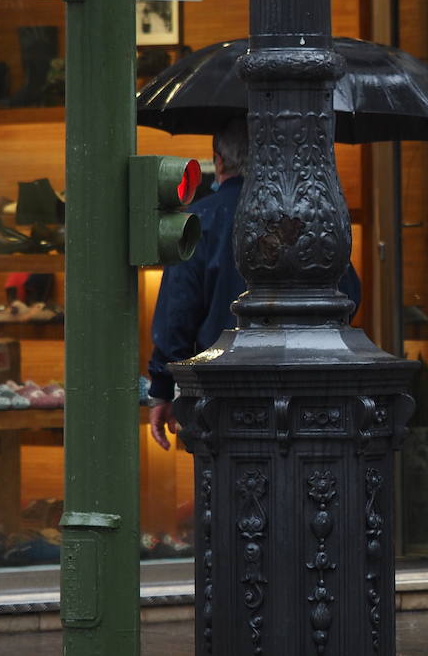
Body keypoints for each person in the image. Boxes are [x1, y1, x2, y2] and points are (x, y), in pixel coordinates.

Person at [146, 117, 361, 451]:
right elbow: (349, 295)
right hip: (310, 392)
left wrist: (163, 386)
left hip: (219, 394)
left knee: (224, 494)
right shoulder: (308, 214)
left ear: (219, 160)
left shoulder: (200, 221)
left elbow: (178, 314)